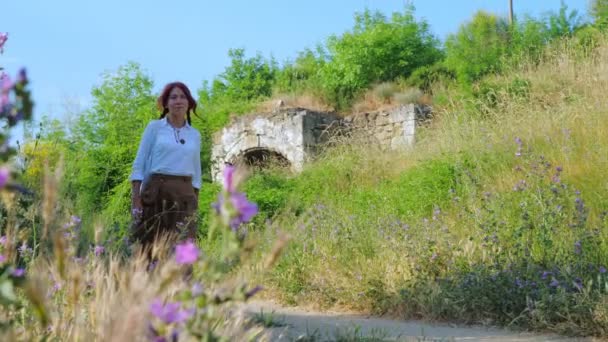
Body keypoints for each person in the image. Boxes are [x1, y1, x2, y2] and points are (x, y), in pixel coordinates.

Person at [129, 82, 201, 254]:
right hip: (155, 193)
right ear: (166, 103)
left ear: (189, 103)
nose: (178, 101)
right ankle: (146, 281)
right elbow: (139, 162)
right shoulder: (154, 128)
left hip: (185, 196)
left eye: (183, 97)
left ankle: (181, 282)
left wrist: (195, 202)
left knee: (182, 250)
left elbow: (196, 170)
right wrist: (136, 198)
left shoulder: (194, 134)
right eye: (173, 97)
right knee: (149, 247)